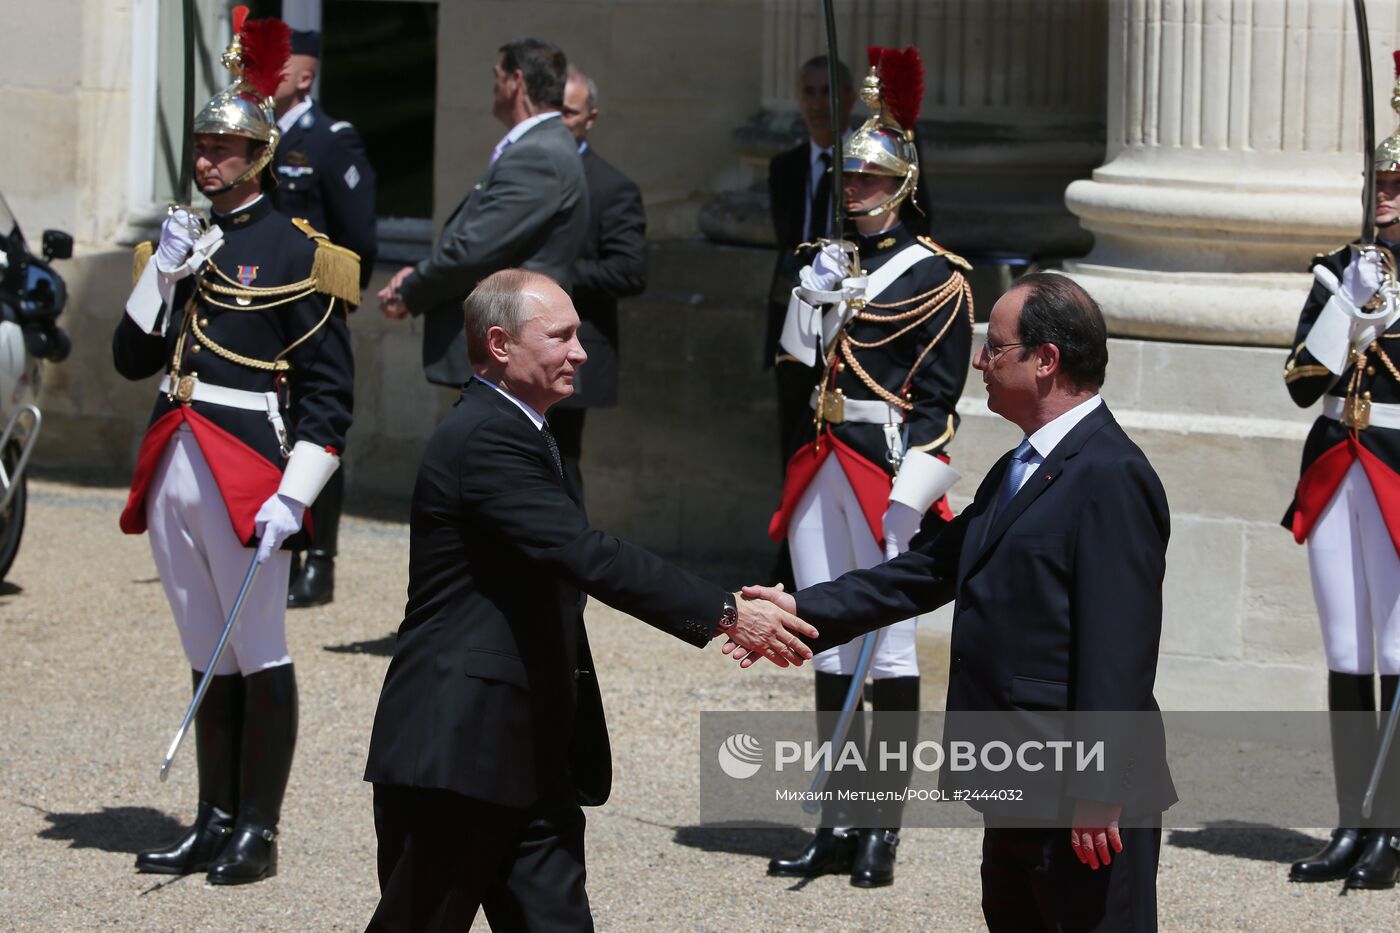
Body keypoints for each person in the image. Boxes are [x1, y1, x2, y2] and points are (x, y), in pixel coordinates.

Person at [362, 268, 817, 931]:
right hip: (459, 749)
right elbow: (591, 555)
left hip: (526, 746)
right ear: (499, 343)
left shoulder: (527, 432)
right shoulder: (485, 439)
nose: (580, 351)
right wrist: (727, 613)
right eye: (562, 336)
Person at [740, 273, 1175, 931]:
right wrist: (796, 609)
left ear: (1046, 359)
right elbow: (921, 573)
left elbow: (1122, 642)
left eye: (995, 348)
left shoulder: (1112, 474)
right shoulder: (1018, 467)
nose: (979, 363)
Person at [115, 13, 355, 885]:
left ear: (257, 155)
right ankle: (210, 820)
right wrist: (162, 273)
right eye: (203, 144)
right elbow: (132, 356)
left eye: (224, 147)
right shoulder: (182, 240)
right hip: (175, 451)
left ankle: (259, 829)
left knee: (258, 650)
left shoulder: (298, 252)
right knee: (203, 648)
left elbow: (332, 396)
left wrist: (300, 491)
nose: (207, 159)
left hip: (249, 464)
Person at [763, 47, 973, 888]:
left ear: (904, 183)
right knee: (825, 645)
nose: (855, 191)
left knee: (888, 654)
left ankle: (882, 826)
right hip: (821, 457)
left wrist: (911, 498)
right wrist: (812, 296)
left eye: (871, 180)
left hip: (886, 467)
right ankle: (834, 818)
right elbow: (794, 360)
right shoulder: (831, 258)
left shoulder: (938, 276)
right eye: (849, 179)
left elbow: (943, 402)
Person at [1281, 78, 1400, 890]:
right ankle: (1353, 818)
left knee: (1396, 650)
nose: (1381, 197)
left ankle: (1392, 825)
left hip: (1398, 467)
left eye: (1394, 185)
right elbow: (1298, 380)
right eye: (1378, 183)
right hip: (1335, 463)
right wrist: (1346, 310)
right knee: (1348, 649)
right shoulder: (1338, 270)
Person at [377, 38, 587, 388]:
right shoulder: (542, 146)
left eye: (497, 75)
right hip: (512, 353)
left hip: (513, 357)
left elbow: (475, 250)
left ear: (516, 81)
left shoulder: (538, 155)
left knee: (487, 443)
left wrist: (410, 290)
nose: (493, 85)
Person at [272, 27, 378, 609]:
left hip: (311, 311)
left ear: (305, 76)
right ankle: (280, 548)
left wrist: (336, 301)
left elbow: (358, 233)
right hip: (260, 310)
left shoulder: (331, 140)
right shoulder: (256, 137)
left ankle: (322, 561)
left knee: (317, 428)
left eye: (278, 68)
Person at [549, 65, 647, 497]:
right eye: (550, 111)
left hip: (573, 344)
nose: (557, 123)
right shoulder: (523, 171)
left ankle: (568, 563)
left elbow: (630, 270)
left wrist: (553, 273)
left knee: (561, 465)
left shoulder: (612, 187)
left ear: (590, 118)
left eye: (567, 113)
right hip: (517, 344)